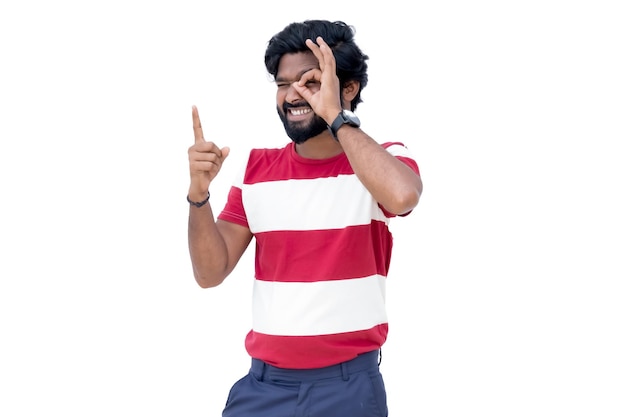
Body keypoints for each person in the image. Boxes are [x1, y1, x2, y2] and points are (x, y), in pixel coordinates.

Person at [186, 19, 423, 417]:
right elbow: (210, 274)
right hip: (263, 387)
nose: (292, 94)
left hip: (348, 390)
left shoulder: (382, 159)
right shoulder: (257, 169)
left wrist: (333, 115)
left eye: (310, 81)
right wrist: (198, 195)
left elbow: (402, 196)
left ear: (348, 88)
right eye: (282, 84)